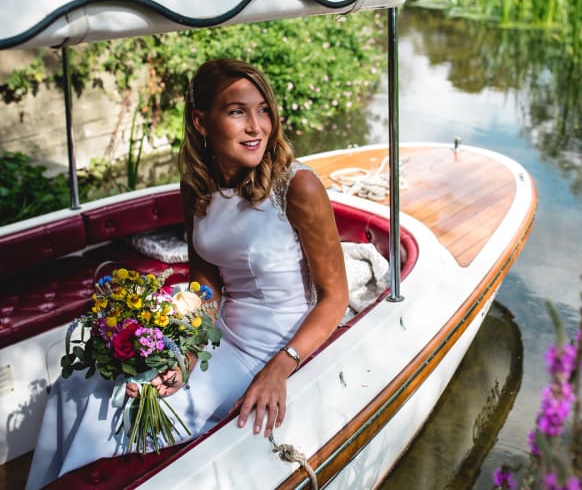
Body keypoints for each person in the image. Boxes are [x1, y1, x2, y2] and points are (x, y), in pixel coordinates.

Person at [25, 59, 349, 489]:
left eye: (263, 110)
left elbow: (335, 297)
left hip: (282, 345)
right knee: (79, 384)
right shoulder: (196, 184)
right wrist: (188, 347)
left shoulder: (297, 187)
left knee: (115, 412)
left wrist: (280, 367)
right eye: (237, 112)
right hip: (222, 338)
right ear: (201, 121)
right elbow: (205, 280)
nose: (257, 126)